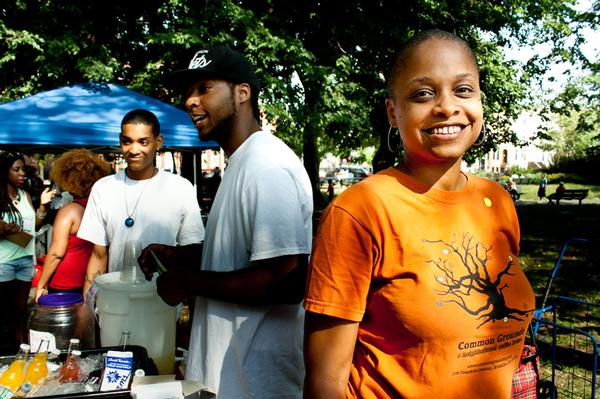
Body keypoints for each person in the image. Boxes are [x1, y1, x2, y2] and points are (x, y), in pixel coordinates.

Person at [303, 30, 535, 399]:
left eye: (463, 90)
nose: (446, 107)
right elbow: (325, 382)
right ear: (393, 112)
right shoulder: (360, 211)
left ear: (479, 101)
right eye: (423, 94)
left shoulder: (497, 200)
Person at [138, 46, 313, 398]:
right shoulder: (241, 162)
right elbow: (245, 254)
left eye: (204, 88)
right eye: (188, 92)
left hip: (255, 383)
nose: (190, 101)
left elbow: (288, 280)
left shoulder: (266, 165)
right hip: (229, 376)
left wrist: (188, 282)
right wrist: (181, 257)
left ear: (242, 93)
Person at [78, 109, 205, 295]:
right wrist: (88, 306)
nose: (134, 150)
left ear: (158, 142)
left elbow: (190, 252)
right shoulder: (103, 188)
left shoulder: (180, 188)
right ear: (120, 141)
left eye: (143, 142)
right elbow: (98, 255)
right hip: (115, 301)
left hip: (161, 301)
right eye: (127, 141)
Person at [34, 149, 110, 302]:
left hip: (65, 282)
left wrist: (41, 284)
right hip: (91, 279)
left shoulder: (69, 211)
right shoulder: (101, 209)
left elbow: (56, 253)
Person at [0, 151, 55, 346]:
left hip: (25, 260)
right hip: (4, 262)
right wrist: (3, 228)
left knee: (21, 310)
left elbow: (35, 226)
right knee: (5, 312)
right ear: (5, 172)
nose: (22, 173)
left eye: (23, 169)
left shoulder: (24, 196)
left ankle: (19, 351)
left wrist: (42, 207)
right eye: (16, 169)